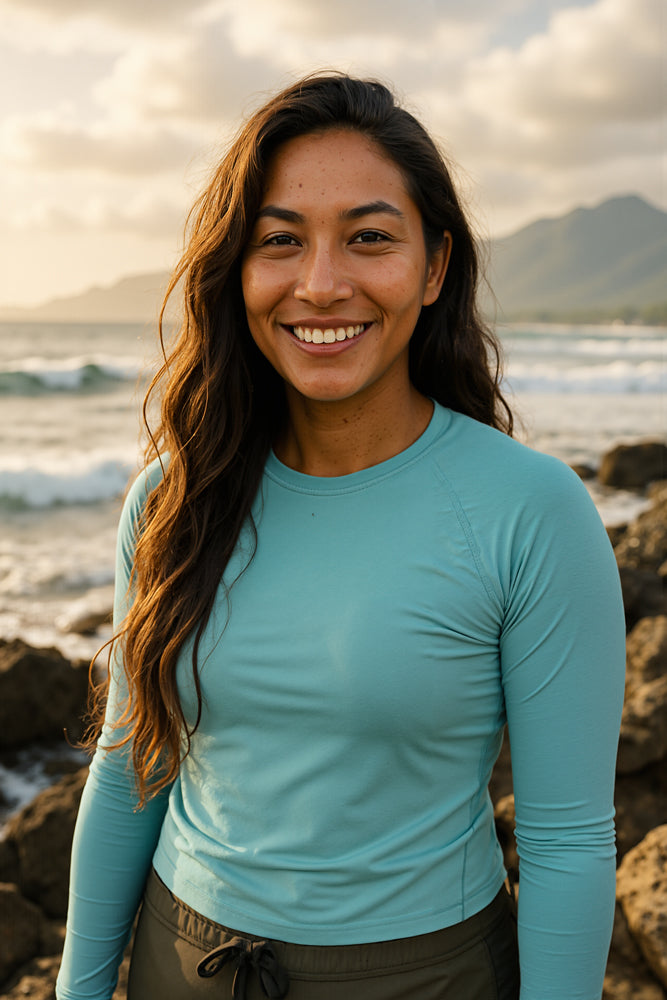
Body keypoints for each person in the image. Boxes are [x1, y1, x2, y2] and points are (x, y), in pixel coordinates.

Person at [56, 73, 625, 1000]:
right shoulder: (173, 496)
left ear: (434, 267)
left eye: (369, 238)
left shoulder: (532, 512)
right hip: (181, 963)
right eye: (279, 241)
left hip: (425, 977)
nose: (320, 284)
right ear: (236, 269)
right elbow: (129, 773)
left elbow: (566, 843)